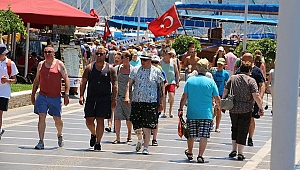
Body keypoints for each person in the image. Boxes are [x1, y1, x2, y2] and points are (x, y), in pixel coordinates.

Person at [178, 58, 220, 163]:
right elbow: (217, 98)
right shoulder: (211, 82)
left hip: (192, 112)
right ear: (206, 69)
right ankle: (200, 156)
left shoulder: (190, 80)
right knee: (204, 135)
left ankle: (190, 151)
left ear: (197, 68)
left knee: (191, 134)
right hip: (206, 113)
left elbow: (184, 97)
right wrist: (219, 106)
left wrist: (180, 108)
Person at [124, 51, 165, 155]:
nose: (143, 62)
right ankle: (139, 138)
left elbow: (161, 88)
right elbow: (129, 84)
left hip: (150, 101)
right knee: (136, 124)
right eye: (141, 60)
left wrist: (161, 103)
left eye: (145, 60)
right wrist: (127, 96)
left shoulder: (157, 71)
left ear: (150, 61)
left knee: (147, 125)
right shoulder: (135, 70)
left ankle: (145, 147)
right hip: (137, 101)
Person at [223, 61, 264, 161]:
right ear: (249, 71)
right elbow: (256, 95)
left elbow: (225, 91)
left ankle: (233, 149)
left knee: (234, 128)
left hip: (233, 108)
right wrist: (260, 108)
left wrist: (222, 104)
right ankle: (240, 153)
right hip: (246, 109)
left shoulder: (232, 78)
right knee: (243, 130)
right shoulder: (251, 81)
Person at [31, 45, 70, 149]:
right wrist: (33, 93)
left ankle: (60, 134)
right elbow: (37, 80)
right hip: (43, 95)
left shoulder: (59, 64)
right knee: (41, 116)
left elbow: (66, 79)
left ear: (54, 53)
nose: (47, 54)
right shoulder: (40, 65)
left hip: (55, 97)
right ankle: (41, 141)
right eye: (45, 52)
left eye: (49, 52)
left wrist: (66, 94)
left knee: (57, 119)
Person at [79, 46, 118, 151]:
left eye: (101, 54)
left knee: (100, 120)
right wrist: (81, 95)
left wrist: (114, 99)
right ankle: (93, 133)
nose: (99, 56)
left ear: (106, 55)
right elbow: (83, 82)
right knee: (89, 120)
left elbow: (115, 84)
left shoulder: (110, 69)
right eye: (97, 54)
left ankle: (98, 143)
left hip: (104, 98)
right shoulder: (89, 68)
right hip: (91, 97)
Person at [236, 53, 265, 147]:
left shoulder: (257, 71)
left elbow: (262, 84)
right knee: (240, 120)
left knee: (251, 119)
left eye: (244, 59)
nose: (242, 61)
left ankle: (250, 138)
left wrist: (260, 97)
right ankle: (240, 138)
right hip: (240, 99)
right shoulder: (240, 70)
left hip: (253, 100)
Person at [113, 51, 133, 144]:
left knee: (129, 117)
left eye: (122, 57)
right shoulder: (117, 69)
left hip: (129, 96)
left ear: (127, 59)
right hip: (118, 96)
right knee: (117, 117)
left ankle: (129, 134)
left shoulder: (133, 70)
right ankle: (117, 137)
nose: (120, 59)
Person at [0, 44, 18, 140]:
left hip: (4, 93)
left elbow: (14, 79)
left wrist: (7, 80)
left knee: (0, 113)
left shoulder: (10, 64)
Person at [151, 55, 167, 146]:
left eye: (156, 62)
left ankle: (154, 138)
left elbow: (163, 85)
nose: (154, 64)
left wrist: (161, 101)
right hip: (147, 99)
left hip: (156, 99)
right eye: (152, 62)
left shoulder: (160, 72)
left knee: (155, 119)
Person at [161, 49, 180, 118]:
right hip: (163, 82)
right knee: (164, 97)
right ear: (165, 55)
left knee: (171, 96)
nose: (170, 55)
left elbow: (176, 71)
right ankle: (164, 112)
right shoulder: (161, 62)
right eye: (168, 54)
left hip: (171, 81)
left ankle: (170, 110)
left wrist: (177, 81)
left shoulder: (173, 61)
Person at [212, 58, 230, 132]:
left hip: (221, 94)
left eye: (221, 64)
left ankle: (217, 126)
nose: (219, 66)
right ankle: (211, 122)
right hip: (213, 94)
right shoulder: (213, 72)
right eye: (218, 64)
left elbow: (228, 84)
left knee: (219, 110)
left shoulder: (226, 74)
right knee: (212, 110)